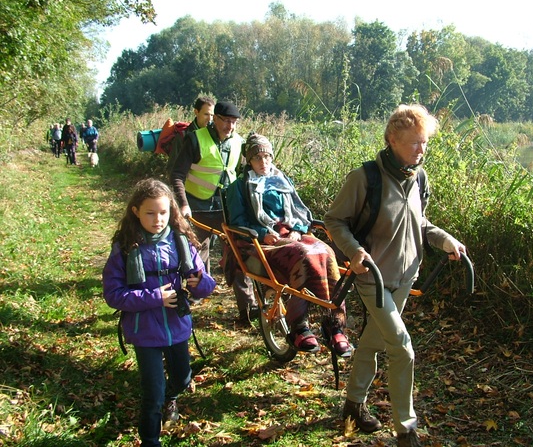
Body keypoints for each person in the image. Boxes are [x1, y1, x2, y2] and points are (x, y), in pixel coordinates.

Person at [324, 104, 467, 447]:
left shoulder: (419, 178)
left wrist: (443, 239)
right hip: (372, 277)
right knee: (402, 348)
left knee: (373, 342)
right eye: (415, 142)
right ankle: (406, 429)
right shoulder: (365, 178)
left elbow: (419, 223)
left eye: (425, 142)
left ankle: (353, 406)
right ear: (392, 140)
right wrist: (355, 250)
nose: (422, 149)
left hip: (406, 277)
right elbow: (334, 220)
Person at [102, 178, 215, 447]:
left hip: (177, 326)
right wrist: (155, 298)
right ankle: (150, 440)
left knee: (183, 378)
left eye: (163, 213)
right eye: (150, 213)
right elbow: (113, 295)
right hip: (144, 332)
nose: (157, 220)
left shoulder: (181, 243)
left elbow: (206, 282)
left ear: (171, 211)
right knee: (152, 392)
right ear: (135, 212)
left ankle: (171, 398)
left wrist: (202, 284)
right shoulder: (125, 248)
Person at [226, 133, 351, 355]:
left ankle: (334, 324)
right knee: (302, 255)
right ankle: (299, 326)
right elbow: (237, 222)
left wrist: (297, 230)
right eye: (257, 158)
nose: (263, 162)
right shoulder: (240, 186)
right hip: (260, 240)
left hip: (292, 233)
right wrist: (263, 233)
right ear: (248, 160)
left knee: (326, 251)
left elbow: (300, 212)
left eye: (267, 156)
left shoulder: (281, 180)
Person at [171, 99, 258, 323]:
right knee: (198, 252)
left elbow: (241, 176)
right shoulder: (195, 139)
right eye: (226, 121)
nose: (230, 126)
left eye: (234, 122)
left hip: (228, 208)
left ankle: (247, 309)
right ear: (215, 119)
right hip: (197, 206)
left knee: (239, 254)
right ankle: (196, 295)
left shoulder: (239, 142)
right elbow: (177, 175)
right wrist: (183, 204)